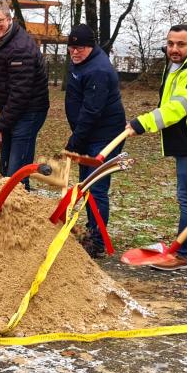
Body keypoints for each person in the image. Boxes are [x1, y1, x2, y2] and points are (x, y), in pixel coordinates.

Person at [125, 24, 187, 271]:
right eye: (170, 44)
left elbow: (175, 109)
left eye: (181, 44)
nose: (174, 49)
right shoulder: (179, 67)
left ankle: (182, 255)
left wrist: (141, 123)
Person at [64, 24, 126, 258]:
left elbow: (91, 111)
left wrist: (75, 141)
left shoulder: (99, 70)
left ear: (90, 46)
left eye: (79, 47)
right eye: (71, 47)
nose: (74, 52)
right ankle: (90, 231)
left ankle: (97, 241)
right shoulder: (81, 62)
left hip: (103, 137)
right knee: (86, 185)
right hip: (88, 134)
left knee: (95, 187)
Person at [0, 0, 49, 187]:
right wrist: (3, 117)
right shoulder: (0, 41)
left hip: (29, 111)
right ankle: (8, 205)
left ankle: (20, 211)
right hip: (14, 111)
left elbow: (20, 94)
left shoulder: (20, 48)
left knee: (16, 171)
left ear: (9, 18)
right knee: (6, 167)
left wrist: (0, 126)